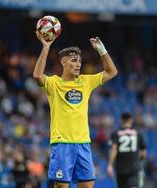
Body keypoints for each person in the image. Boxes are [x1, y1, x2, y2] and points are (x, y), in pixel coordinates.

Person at [33, 31, 117, 188]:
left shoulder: (85, 81)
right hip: (62, 144)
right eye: (73, 60)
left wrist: (102, 50)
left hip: (83, 143)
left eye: (79, 60)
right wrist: (46, 47)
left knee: (88, 185)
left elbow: (112, 72)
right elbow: (37, 75)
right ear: (63, 63)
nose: (78, 64)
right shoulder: (54, 83)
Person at [107, 113, 146, 188]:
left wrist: (110, 165)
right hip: (134, 167)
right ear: (131, 120)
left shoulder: (116, 134)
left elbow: (114, 149)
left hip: (121, 167)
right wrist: (140, 162)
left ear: (121, 120)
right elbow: (143, 153)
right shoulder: (138, 133)